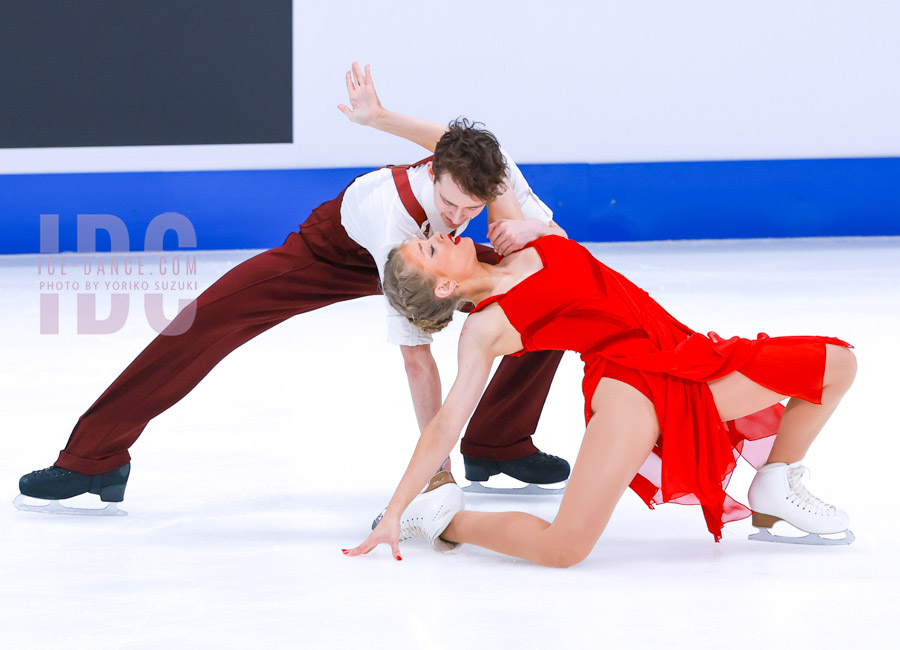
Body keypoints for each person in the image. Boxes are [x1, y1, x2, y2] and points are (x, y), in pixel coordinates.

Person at [16, 63, 570, 513]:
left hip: (433, 256)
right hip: (332, 254)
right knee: (203, 322)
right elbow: (416, 359)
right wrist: (435, 470)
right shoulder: (393, 215)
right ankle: (93, 459)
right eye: (449, 204)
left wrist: (530, 228)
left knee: (552, 296)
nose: (459, 217)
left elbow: (555, 247)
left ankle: (499, 443)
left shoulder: (491, 172)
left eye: (471, 210)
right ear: (431, 172)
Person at [344, 231, 857, 566]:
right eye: (430, 250)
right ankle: (445, 520)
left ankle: (775, 482)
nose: (439, 235)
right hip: (629, 386)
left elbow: (476, 153)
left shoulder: (514, 237)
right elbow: (446, 423)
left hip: (684, 353)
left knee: (838, 362)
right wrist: (396, 509)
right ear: (444, 287)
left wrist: (381, 118)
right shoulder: (484, 328)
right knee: (564, 547)